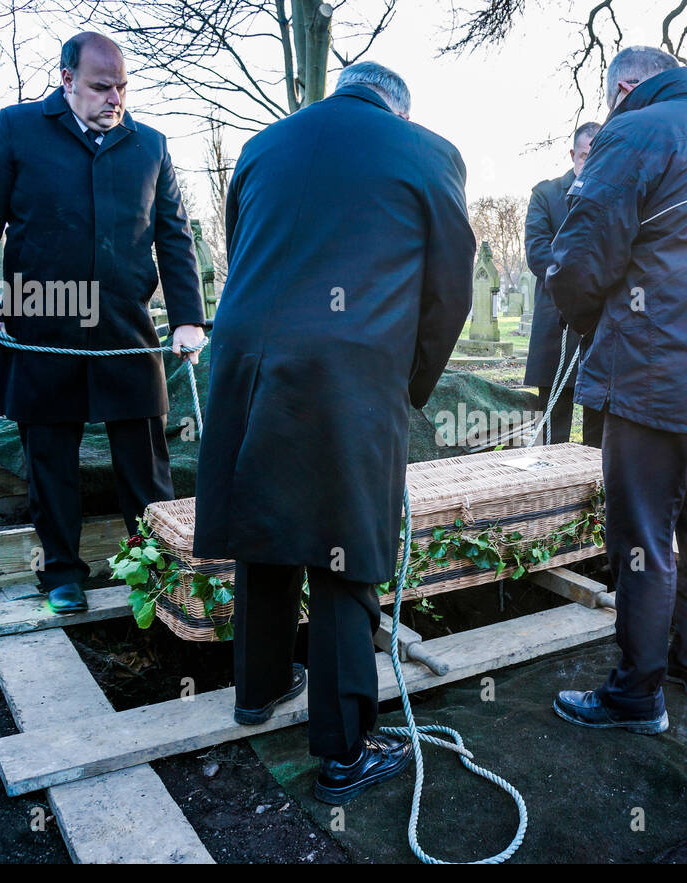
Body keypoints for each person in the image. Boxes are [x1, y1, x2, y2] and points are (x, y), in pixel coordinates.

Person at [192, 62, 476, 804]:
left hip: (249, 356)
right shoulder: (428, 152)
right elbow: (451, 289)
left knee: (267, 521)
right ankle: (347, 750)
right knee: (347, 551)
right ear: (399, 104)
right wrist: (407, 381)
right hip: (350, 368)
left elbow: (243, 247)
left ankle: (256, 688)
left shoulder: (263, 145)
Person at [546, 46, 687, 732]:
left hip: (655, 371)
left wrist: (595, 326)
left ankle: (636, 694)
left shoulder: (635, 129)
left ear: (624, 86)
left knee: (643, 532)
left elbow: (580, 259)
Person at [0, 32, 205, 614]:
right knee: (50, 456)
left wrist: (189, 318)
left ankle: (159, 567)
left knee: (145, 462)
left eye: (121, 86)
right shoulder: (18, 129)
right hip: (41, 316)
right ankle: (64, 573)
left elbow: (174, 237)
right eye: (100, 86)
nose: (114, 97)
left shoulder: (151, 145)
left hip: (125, 323)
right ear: (67, 79)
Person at [523, 121, 604, 446]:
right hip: (556, 326)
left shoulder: (617, 196)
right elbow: (538, 252)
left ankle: (597, 495)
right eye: (586, 155)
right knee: (552, 432)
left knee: (598, 435)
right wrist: (585, 281)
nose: (592, 162)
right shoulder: (546, 194)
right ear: (573, 154)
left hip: (601, 329)